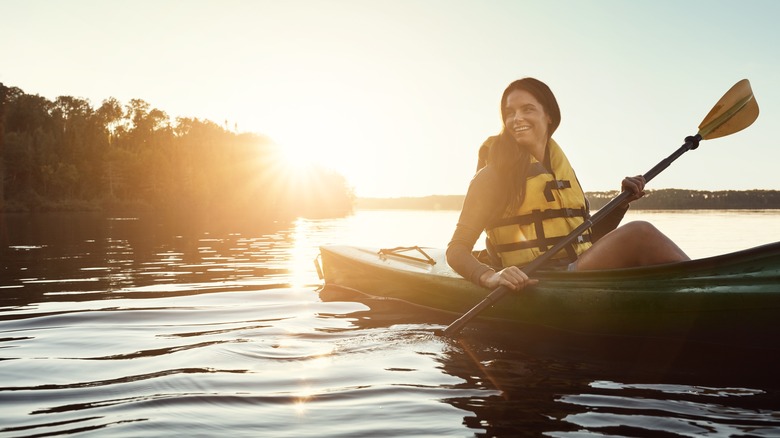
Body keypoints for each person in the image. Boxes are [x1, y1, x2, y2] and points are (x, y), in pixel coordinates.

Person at [446, 77, 689, 292]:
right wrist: (490, 276)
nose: (517, 118)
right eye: (510, 112)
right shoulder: (492, 177)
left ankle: (693, 288)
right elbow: (456, 250)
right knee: (640, 233)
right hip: (538, 278)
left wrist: (621, 202)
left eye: (527, 109)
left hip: (573, 271)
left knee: (641, 241)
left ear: (549, 116)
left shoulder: (561, 172)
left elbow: (587, 238)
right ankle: (701, 285)